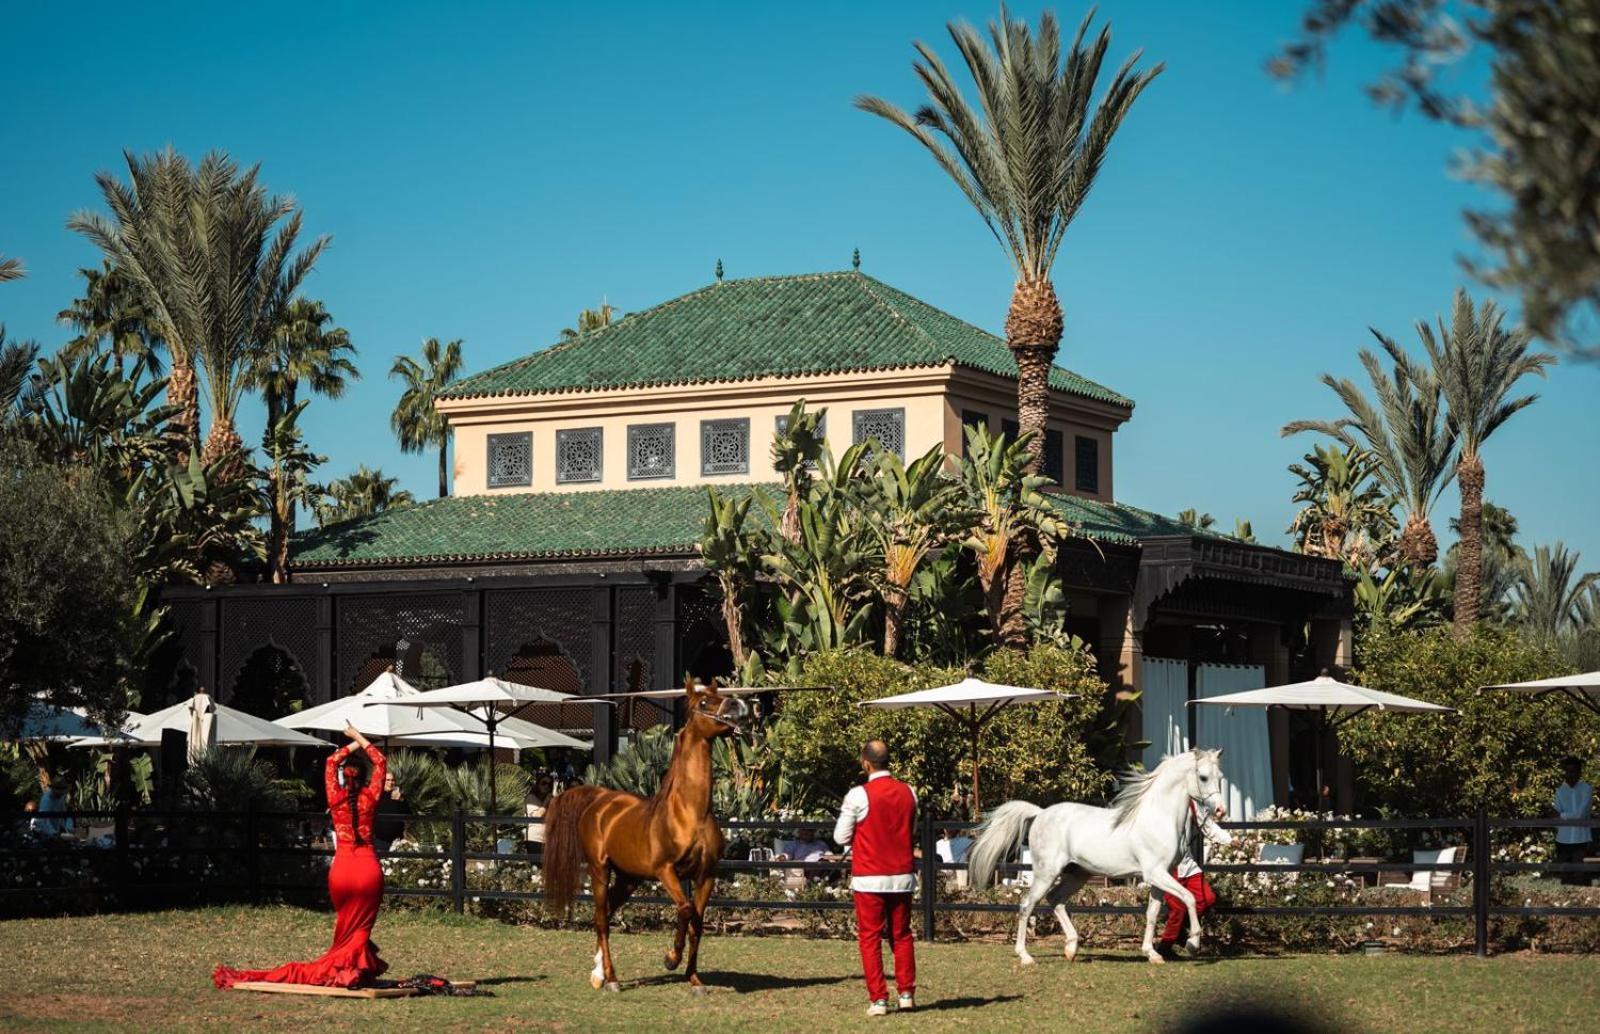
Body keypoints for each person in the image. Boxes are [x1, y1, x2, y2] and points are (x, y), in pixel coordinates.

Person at [213, 724, 389, 989]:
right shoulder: (370, 798)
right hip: (367, 870)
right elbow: (381, 761)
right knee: (359, 930)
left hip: (342, 872)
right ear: (364, 779)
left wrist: (350, 741)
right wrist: (362, 739)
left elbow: (331, 761)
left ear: (344, 778)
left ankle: (350, 971)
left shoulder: (335, 798)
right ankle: (350, 972)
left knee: (345, 929)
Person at [833, 740, 916, 1017]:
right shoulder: (909, 792)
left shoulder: (858, 795)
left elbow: (840, 837)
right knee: (902, 935)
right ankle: (906, 993)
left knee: (870, 938)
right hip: (902, 875)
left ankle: (879, 999)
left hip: (869, 876)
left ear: (865, 762)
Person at [1156, 802, 1230, 958]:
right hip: (1170, 866)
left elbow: (1207, 824)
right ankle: (1165, 947)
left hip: (1188, 864)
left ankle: (1180, 930)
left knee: (1207, 899)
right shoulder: (1161, 801)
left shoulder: (1191, 804)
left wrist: (1228, 839)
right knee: (1178, 908)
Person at [1554, 755, 1593, 887]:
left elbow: (1580, 815)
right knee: (1564, 877)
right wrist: (1560, 815)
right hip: (1563, 838)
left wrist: (1562, 816)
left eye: (1573, 771)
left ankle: (1581, 906)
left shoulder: (1586, 789)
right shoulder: (1559, 791)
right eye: (1568, 771)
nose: (1570, 775)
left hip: (1580, 838)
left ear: (1579, 772)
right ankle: (1565, 906)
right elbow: (1555, 814)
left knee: (1579, 876)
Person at [372, 769, 410, 852]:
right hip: (380, 840)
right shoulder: (377, 796)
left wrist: (400, 800)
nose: (390, 782)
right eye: (388, 780)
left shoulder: (400, 797)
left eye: (392, 780)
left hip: (397, 841)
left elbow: (408, 815)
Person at [523, 772, 554, 860]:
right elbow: (537, 816)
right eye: (544, 783)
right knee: (536, 867)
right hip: (535, 839)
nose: (546, 786)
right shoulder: (531, 798)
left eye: (549, 784)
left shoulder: (549, 801)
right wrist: (546, 802)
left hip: (548, 839)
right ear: (538, 785)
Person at [34, 770, 73, 838]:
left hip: (56, 830)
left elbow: (64, 812)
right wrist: (54, 834)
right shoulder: (46, 800)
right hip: (44, 833)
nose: (61, 794)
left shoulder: (61, 797)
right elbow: (43, 821)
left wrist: (69, 827)